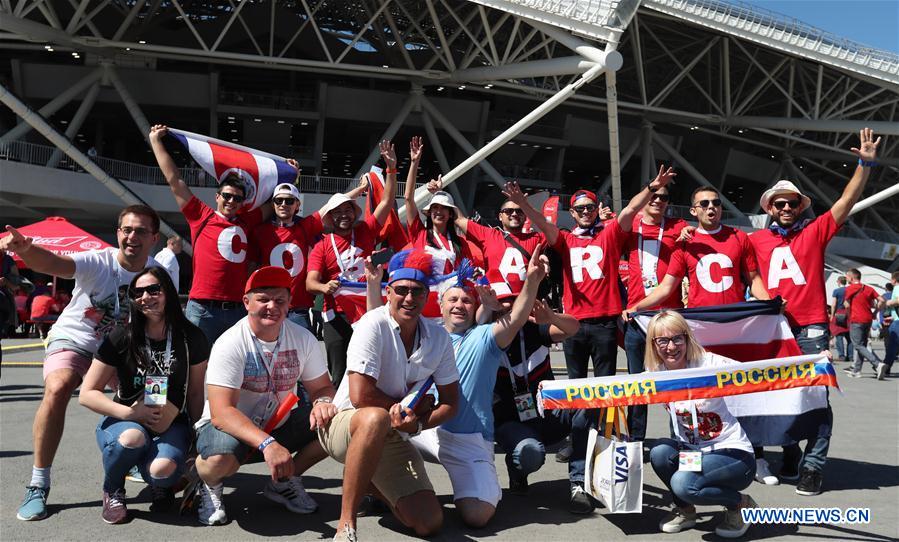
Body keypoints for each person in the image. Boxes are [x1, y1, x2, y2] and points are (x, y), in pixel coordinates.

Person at [2, 205, 161, 521]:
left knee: (156, 395)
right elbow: (55, 263)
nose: (132, 236)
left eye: (141, 231)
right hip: (77, 339)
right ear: (118, 233)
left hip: (123, 350)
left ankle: (142, 460)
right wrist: (28, 251)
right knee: (58, 387)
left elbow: (161, 322)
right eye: (127, 229)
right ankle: (38, 482)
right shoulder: (98, 260)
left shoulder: (158, 274)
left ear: (154, 238)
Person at [747, 127, 882, 493]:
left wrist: (864, 165)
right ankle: (789, 450)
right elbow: (747, 274)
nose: (786, 208)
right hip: (772, 329)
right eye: (780, 203)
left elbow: (846, 200)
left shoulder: (817, 230)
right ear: (770, 208)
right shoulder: (754, 240)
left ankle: (813, 465)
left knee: (815, 398)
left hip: (811, 329)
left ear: (801, 206)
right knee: (773, 394)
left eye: (793, 203)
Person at [318, 249, 461, 541]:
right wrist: (410, 413)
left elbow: (451, 403)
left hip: (394, 430)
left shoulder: (439, 337)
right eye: (401, 290)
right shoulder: (373, 324)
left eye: (417, 291)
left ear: (426, 295)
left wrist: (418, 424)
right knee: (374, 418)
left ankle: (371, 480)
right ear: (388, 292)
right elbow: (360, 395)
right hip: (345, 424)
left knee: (429, 522)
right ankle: (347, 523)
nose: (409, 298)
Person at [192, 266, 338, 526]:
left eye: (280, 300)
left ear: (290, 303)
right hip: (230, 429)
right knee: (218, 460)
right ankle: (208, 484)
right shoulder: (230, 343)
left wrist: (323, 403)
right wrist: (267, 444)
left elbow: (323, 388)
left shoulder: (302, 338)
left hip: (277, 424)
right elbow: (221, 412)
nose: (272, 306)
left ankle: (283, 483)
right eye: (263, 299)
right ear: (247, 302)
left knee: (335, 423)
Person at [507, 165, 676, 380]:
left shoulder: (610, 234)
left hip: (605, 323)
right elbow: (542, 223)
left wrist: (653, 187)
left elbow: (630, 210)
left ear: (597, 209)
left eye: (590, 207)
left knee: (604, 388)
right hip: (572, 323)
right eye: (580, 209)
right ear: (572, 213)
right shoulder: (565, 240)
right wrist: (523, 204)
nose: (586, 211)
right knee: (575, 388)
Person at [78, 268, 209, 524]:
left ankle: (159, 482)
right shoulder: (122, 337)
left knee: (162, 471)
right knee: (132, 439)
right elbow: (87, 393)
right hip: (124, 421)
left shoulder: (191, 337)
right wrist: (130, 413)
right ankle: (113, 488)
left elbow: (194, 392)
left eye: (154, 290)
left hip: (171, 421)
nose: (145, 297)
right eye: (138, 292)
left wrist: (197, 437)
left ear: (168, 293)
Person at [149, 124, 271, 343]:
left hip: (237, 310)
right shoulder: (200, 215)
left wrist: (292, 174)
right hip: (203, 309)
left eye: (237, 198)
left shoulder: (247, 221)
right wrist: (156, 141)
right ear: (217, 196)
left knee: (234, 371)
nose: (231, 201)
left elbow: (274, 203)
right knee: (196, 369)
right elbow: (175, 180)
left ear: (243, 202)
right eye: (227, 195)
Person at [645, 311, 758, 538]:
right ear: (653, 345)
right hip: (695, 453)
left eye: (677, 338)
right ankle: (686, 511)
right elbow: (619, 391)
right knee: (659, 452)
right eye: (663, 341)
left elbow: (760, 375)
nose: (671, 347)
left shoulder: (711, 363)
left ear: (687, 338)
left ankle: (740, 505)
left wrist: (813, 363)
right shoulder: (655, 374)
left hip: (732, 455)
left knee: (684, 483)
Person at [484, 276, 584, 510]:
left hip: (547, 413)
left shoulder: (531, 328)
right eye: (499, 303)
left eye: (511, 301)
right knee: (530, 452)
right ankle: (517, 468)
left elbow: (573, 328)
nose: (506, 307)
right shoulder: (482, 337)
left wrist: (551, 317)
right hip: (509, 422)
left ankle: (579, 483)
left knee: (586, 408)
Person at [306, 140, 398, 386]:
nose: (343, 215)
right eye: (337, 212)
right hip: (335, 316)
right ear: (331, 217)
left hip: (367, 311)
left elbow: (386, 203)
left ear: (354, 213)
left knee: (368, 367)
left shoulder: (366, 231)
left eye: (348, 210)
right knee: (338, 372)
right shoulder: (322, 245)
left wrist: (391, 169)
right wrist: (325, 288)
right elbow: (310, 282)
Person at [250, 179, 367, 331]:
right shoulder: (259, 231)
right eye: (279, 200)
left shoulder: (305, 227)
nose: (283, 204)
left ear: (297, 205)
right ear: (273, 205)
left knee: (304, 354)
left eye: (289, 200)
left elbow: (333, 204)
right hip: (268, 308)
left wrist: (361, 189)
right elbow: (251, 270)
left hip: (298, 310)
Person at [621, 181, 687, 441]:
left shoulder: (677, 227)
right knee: (638, 383)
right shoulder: (632, 225)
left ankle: (680, 437)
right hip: (637, 319)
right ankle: (635, 439)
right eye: (654, 196)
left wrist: (688, 236)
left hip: (669, 316)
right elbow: (622, 217)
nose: (658, 200)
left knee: (675, 383)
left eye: (664, 197)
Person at [401, 139, 472, 275]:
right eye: (435, 208)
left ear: (451, 213)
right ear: (429, 212)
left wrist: (441, 193)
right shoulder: (419, 234)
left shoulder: (460, 243)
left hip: (449, 294)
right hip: (425, 294)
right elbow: (408, 198)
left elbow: (468, 272)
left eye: (444, 208)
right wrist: (414, 163)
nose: (439, 211)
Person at [843, 268, 887, 380]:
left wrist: (848, 316)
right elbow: (881, 300)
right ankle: (857, 371)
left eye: (847, 276)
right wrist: (876, 312)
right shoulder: (868, 288)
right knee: (861, 345)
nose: (846, 278)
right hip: (868, 319)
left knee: (858, 345)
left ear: (852, 278)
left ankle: (877, 364)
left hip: (856, 319)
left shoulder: (849, 288)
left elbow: (847, 305)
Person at [830, 276, 853, 362]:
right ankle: (850, 356)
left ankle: (842, 356)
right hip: (849, 313)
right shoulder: (850, 290)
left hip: (839, 313)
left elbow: (834, 304)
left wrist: (832, 315)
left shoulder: (836, 291)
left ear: (839, 282)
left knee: (839, 336)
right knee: (849, 336)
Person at [882, 272, 899, 374]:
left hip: (897, 322)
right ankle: (886, 366)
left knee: (892, 345)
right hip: (895, 319)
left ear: (894, 280)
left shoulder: (897, 288)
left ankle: (885, 366)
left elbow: (898, 300)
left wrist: (888, 303)